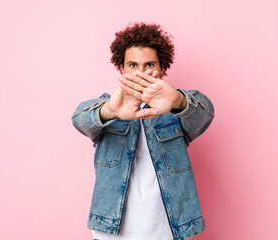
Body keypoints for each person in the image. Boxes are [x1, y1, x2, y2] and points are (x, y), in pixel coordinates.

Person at [71, 22, 215, 240]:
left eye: (149, 64)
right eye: (133, 65)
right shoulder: (108, 107)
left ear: (161, 68)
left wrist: (176, 99)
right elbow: (79, 118)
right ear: (121, 67)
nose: (141, 73)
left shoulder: (174, 109)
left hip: (168, 228)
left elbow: (204, 113)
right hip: (111, 229)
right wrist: (110, 109)